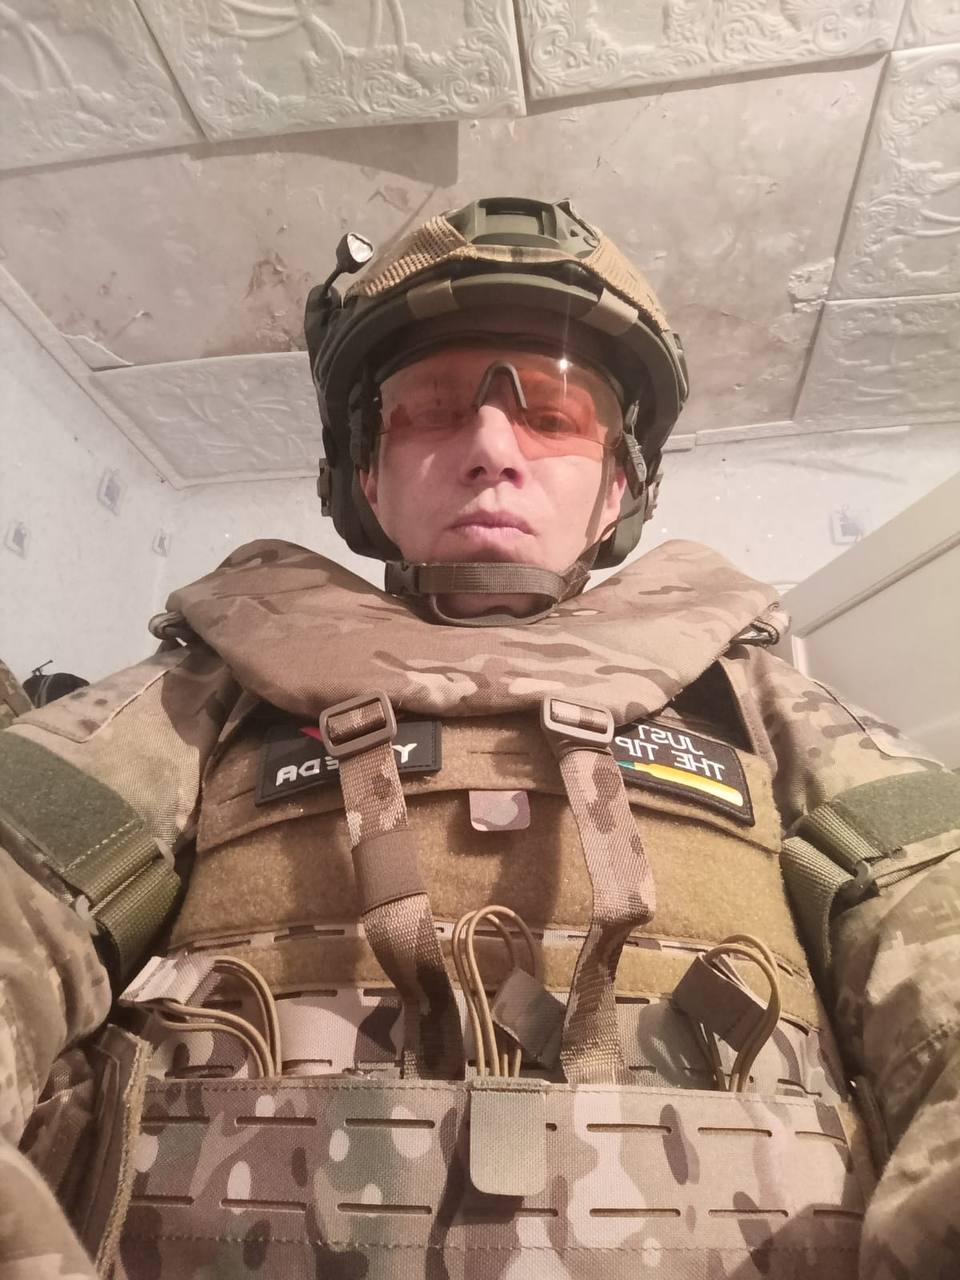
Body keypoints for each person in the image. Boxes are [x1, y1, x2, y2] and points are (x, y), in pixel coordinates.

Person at [0, 197, 957, 1280]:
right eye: (431, 410)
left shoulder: (758, 699)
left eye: (554, 413)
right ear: (366, 474)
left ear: (620, 483)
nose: (492, 448)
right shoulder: (208, 687)